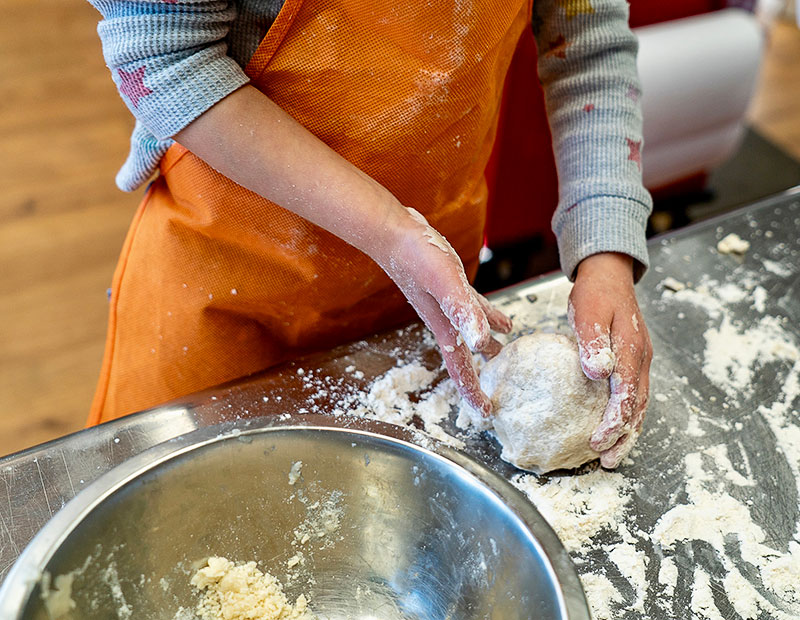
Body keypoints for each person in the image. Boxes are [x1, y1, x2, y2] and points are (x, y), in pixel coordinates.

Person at [86, 0, 653, 468]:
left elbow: (589, 43)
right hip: (232, 287)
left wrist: (606, 249)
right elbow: (165, 61)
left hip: (430, 281)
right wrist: (387, 230)